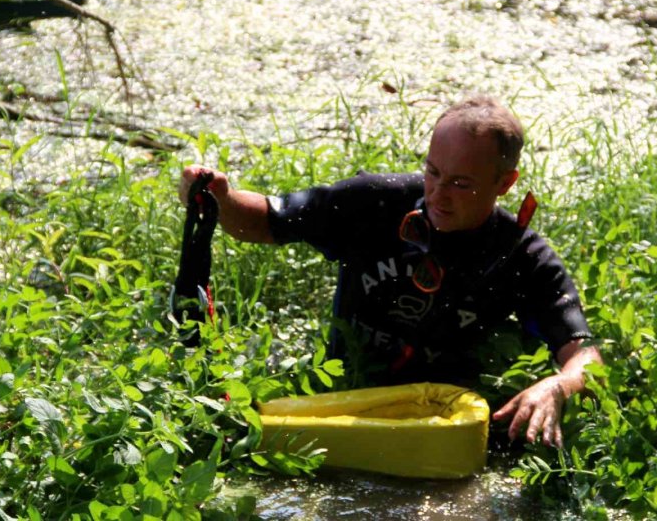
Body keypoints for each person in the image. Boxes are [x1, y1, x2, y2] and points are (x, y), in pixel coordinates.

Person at [179, 96, 603, 447]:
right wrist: (221, 196)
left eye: (461, 184)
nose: (438, 195)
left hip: (439, 424)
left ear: (504, 184)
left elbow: (584, 357)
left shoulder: (522, 255)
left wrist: (557, 388)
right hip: (343, 397)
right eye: (433, 172)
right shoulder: (375, 203)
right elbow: (265, 221)